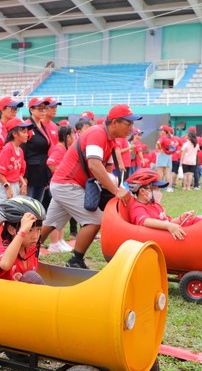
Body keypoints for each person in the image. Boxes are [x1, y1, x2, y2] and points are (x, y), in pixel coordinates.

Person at [41, 104, 140, 269]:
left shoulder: (108, 138)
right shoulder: (97, 133)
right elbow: (94, 165)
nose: (131, 127)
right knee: (94, 220)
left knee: (50, 223)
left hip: (66, 184)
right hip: (67, 184)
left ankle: (24, 252)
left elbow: (102, 168)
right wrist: (116, 191)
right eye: (128, 123)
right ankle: (75, 260)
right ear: (114, 123)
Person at [125, 169, 202, 239]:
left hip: (168, 236)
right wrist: (168, 226)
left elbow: (168, 221)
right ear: (142, 191)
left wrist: (181, 218)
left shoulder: (155, 204)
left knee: (200, 221)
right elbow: (145, 221)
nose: (158, 191)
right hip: (160, 239)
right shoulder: (138, 208)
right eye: (155, 188)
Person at [0, 196, 46, 283]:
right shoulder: (3, 250)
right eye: (29, 230)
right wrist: (22, 232)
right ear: (11, 230)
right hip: (4, 294)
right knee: (31, 277)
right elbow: (5, 265)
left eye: (39, 229)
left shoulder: (32, 248)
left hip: (25, 294)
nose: (35, 236)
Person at [45, 124, 75, 252]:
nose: (74, 137)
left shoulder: (64, 149)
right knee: (57, 216)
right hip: (59, 186)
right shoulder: (59, 149)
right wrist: (61, 172)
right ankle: (54, 243)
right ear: (68, 137)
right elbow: (50, 162)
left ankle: (60, 240)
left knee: (63, 215)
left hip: (63, 185)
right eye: (73, 135)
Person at [0, 117, 32, 207]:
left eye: (27, 132)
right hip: (5, 185)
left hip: (15, 185)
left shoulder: (20, 150)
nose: (27, 135)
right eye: (24, 132)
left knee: (13, 213)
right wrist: (7, 187)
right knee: (4, 213)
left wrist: (23, 183)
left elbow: (19, 172)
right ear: (14, 133)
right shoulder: (8, 148)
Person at [22, 97, 53, 204]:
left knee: (37, 205)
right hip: (31, 172)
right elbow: (22, 152)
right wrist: (24, 176)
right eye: (40, 108)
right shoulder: (27, 126)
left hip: (41, 171)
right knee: (28, 204)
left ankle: (36, 221)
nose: (43, 111)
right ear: (31, 110)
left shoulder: (42, 125)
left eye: (44, 108)